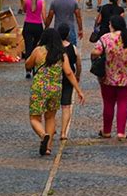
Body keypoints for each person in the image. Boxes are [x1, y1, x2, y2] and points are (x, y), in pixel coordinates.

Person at [25, 27, 84, 155]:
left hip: (39, 88)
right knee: (50, 117)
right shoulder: (62, 54)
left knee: (34, 118)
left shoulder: (38, 51)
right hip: (56, 89)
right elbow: (68, 72)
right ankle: (48, 147)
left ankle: (43, 135)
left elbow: (28, 65)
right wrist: (78, 90)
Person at [91, 16, 127, 140]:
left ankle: (107, 130)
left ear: (112, 25)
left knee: (108, 103)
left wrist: (94, 55)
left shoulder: (106, 38)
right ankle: (121, 132)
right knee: (123, 103)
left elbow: (96, 52)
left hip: (108, 75)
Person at [58, 23, 81, 140]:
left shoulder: (53, 48)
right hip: (68, 79)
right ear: (67, 34)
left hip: (55, 78)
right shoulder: (73, 48)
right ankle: (63, 132)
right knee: (66, 106)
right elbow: (78, 64)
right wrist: (77, 75)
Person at [22, 0, 46, 75]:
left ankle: (28, 69)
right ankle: (35, 67)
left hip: (28, 25)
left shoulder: (26, 0)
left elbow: (24, 10)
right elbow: (43, 15)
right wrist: (46, 25)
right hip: (38, 26)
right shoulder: (42, 2)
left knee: (28, 47)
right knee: (36, 47)